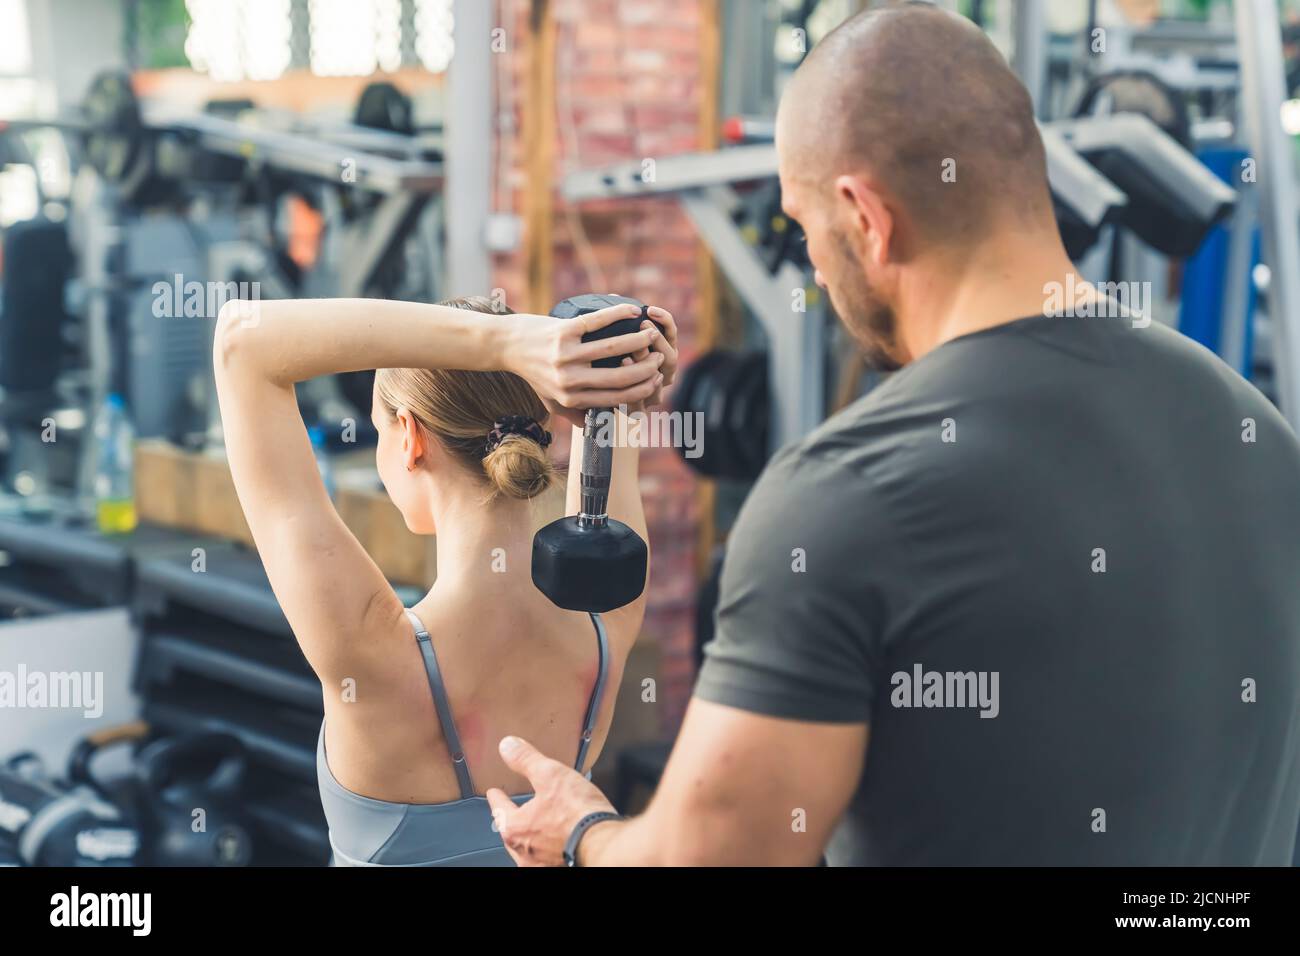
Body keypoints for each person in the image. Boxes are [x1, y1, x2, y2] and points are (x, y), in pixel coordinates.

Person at [485, 4, 1300, 866]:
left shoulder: (844, 494)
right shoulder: (1258, 429)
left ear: (864, 218)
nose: (815, 269)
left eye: (806, 231)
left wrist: (581, 835)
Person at [213, 294, 677, 865]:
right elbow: (607, 421)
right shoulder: (608, 617)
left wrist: (505, 344)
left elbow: (242, 339)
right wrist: (614, 365)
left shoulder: (371, 654)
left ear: (408, 438)